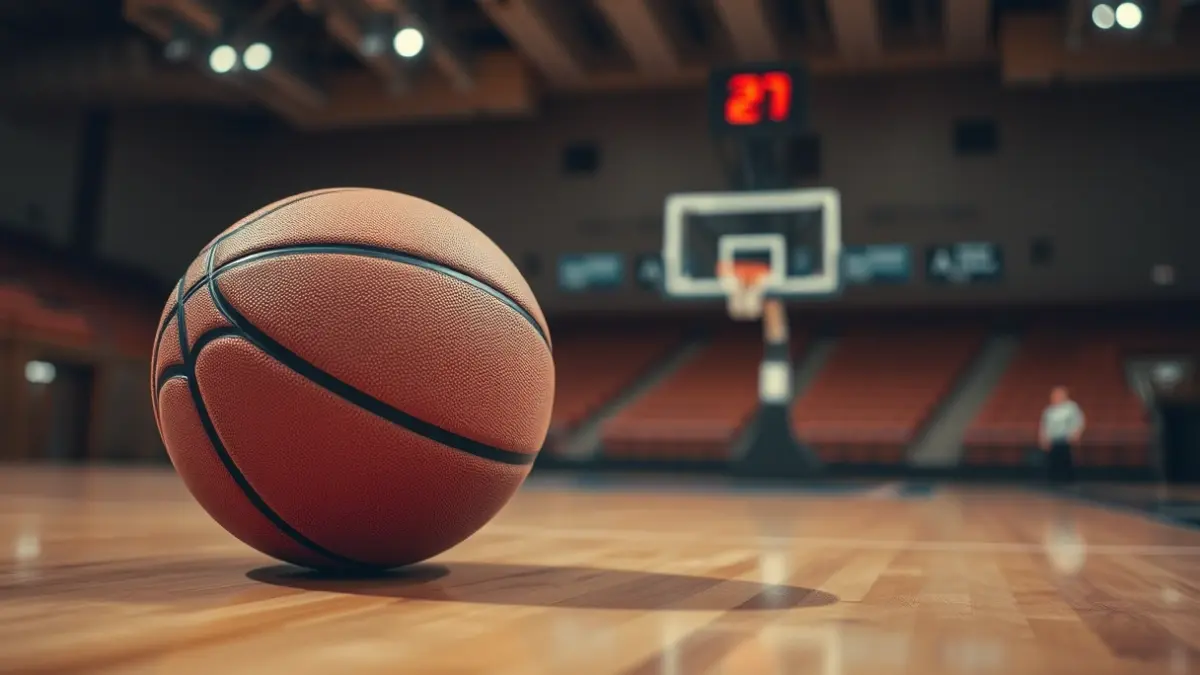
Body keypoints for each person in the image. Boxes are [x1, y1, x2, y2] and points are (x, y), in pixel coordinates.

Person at [1039, 386, 1085, 485]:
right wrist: (1044, 438)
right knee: (1053, 462)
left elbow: (1078, 421)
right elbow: (1044, 425)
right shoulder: (1049, 410)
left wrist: (1076, 434)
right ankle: (1054, 482)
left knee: (1066, 461)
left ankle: (1068, 482)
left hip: (1066, 439)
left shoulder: (1072, 407)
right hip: (1053, 439)